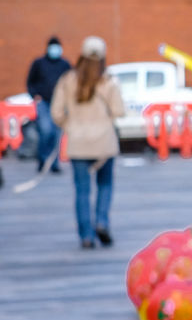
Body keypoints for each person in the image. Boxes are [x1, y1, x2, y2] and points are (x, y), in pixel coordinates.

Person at [50, 36, 125, 249]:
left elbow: (56, 112)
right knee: (105, 185)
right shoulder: (108, 81)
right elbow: (119, 110)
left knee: (82, 191)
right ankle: (102, 221)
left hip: (78, 142)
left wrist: (70, 125)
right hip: (104, 143)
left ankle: (86, 235)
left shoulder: (67, 80)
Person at [25, 36, 72, 173]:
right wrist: (35, 95)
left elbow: (71, 82)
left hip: (60, 104)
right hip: (44, 103)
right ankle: (42, 159)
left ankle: (53, 163)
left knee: (57, 134)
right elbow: (30, 82)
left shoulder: (64, 64)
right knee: (46, 131)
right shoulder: (39, 63)